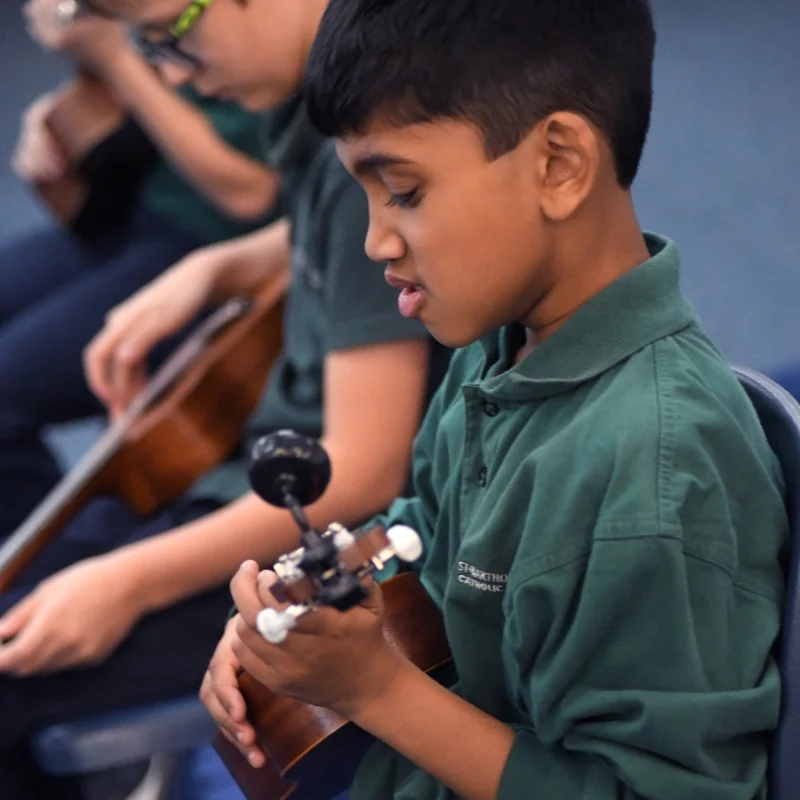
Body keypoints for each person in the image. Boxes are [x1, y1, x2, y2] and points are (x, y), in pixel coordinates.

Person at [202, 1, 788, 799]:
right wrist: (307, 603)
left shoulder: (652, 472)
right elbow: (426, 533)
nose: (376, 240)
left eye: (403, 191)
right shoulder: (500, 345)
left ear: (559, 165)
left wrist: (376, 691)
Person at [0, 0, 446, 797]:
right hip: (246, 484)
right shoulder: (323, 116)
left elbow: (366, 467)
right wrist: (222, 266)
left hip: (328, 551)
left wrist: (126, 582)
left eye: (173, 35)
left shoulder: (370, 131)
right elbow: (327, 229)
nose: (169, 71)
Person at [1, 0, 279, 535]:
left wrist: (111, 56)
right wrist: (65, 104)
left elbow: (248, 195)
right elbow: (143, 43)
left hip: (218, 239)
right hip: (143, 203)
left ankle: (41, 571)